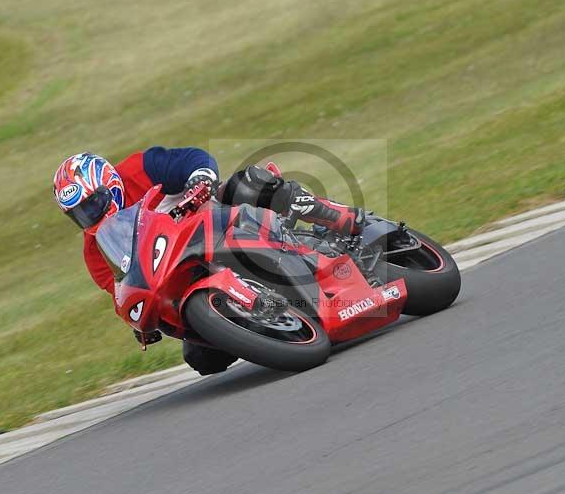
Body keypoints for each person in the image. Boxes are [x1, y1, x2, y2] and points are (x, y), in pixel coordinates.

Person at [53, 148, 363, 375]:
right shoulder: (96, 253)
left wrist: (200, 179)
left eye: (93, 204)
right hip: (184, 275)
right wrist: (142, 321)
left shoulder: (139, 167)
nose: (89, 216)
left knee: (247, 183)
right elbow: (124, 286)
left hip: (213, 221)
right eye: (79, 214)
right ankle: (276, 323)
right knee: (202, 359)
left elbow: (191, 159)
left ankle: (336, 217)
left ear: (110, 183)